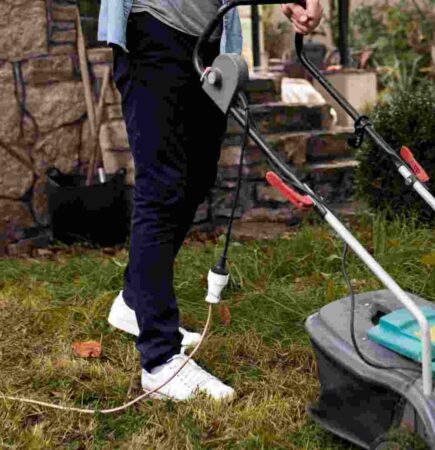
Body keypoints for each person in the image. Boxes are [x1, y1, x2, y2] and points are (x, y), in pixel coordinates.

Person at [97, 0, 322, 402]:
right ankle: (159, 361)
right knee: (161, 185)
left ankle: (135, 301)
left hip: (211, 36)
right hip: (153, 27)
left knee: (197, 180)